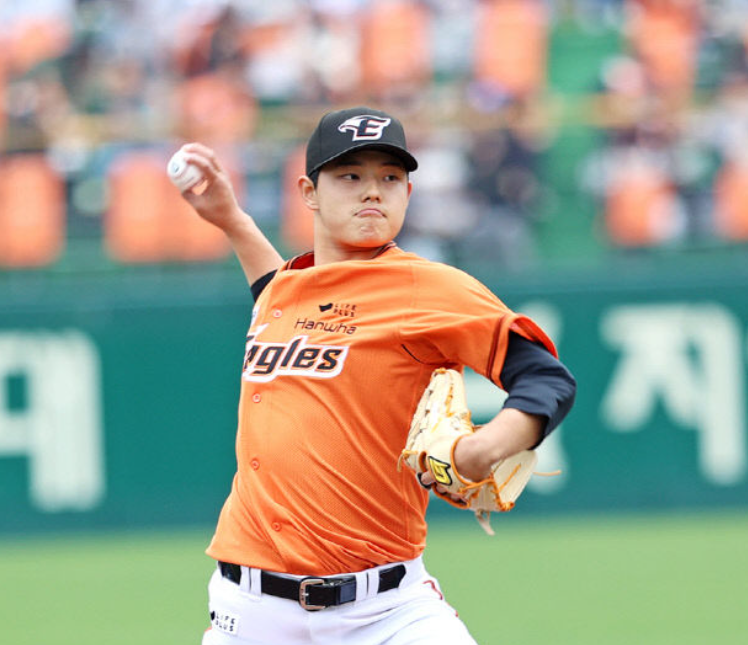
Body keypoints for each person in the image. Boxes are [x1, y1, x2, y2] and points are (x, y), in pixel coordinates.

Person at [176, 106, 576, 645]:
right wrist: (232, 219)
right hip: (249, 613)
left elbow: (547, 379)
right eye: (350, 176)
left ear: (407, 193)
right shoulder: (284, 292)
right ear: (309, 192)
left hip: (385, 613)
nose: (372, 191)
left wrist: (484, 449)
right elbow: (274, 289)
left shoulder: (428, 289)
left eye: (389, 178)